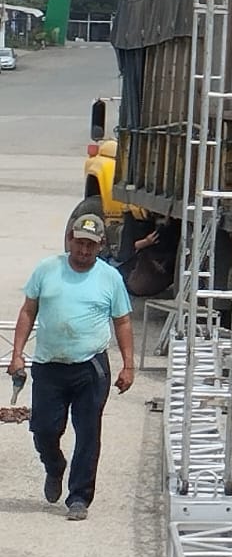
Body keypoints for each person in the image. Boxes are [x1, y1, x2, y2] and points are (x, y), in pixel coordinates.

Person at [7, 212, 136, 521]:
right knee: (44, 429)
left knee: (88, 432)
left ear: (101, 245)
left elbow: (123, 322)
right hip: (49, 365)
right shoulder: (47, 269)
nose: (84, 250)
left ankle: (79, 497)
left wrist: (128, 365)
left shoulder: (110, 278)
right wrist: (17, 353)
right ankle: (54, 466)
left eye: (91, 245)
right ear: (69, 240)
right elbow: (28, 311)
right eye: (79, 243)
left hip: (90, 368)